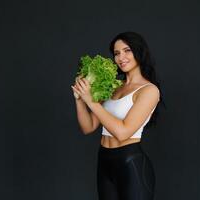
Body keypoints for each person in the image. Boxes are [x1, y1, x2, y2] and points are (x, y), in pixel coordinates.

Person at [71, 32, 163, 200]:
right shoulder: (113, 86)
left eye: (127, 50)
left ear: (139, 51)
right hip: (104, 160)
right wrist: (79, 98)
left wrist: (91, 102)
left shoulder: (149, 90)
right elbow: (88, 126)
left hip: (130, 162)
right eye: (117, 53)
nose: (121, 57)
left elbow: (123, 132)